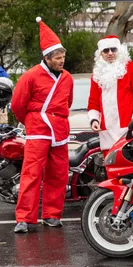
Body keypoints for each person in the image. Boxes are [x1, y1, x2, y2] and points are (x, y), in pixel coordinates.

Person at [11, 17, 74, 233]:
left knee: (58, 175)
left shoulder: (67, 78)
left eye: (63, 57)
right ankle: (24, 218)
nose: (61, 61)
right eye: (57, 58)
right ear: (47, 57)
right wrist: (31, 121)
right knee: (32, 174)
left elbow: (68, 102)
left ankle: (52, 215)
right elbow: (18, 105)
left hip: (60, 131)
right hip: (38, 130)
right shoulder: (30, 76)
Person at [87, 35, 133, 152]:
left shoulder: (132, 68)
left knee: (132, 168)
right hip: (107, 134)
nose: (110, 53)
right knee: (110, 168)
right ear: (100, 54)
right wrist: (94, 120)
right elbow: (93, 102)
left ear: (120, 50)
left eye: (113, 49)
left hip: (129, 131)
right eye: (106, 50)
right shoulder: (96, 75)